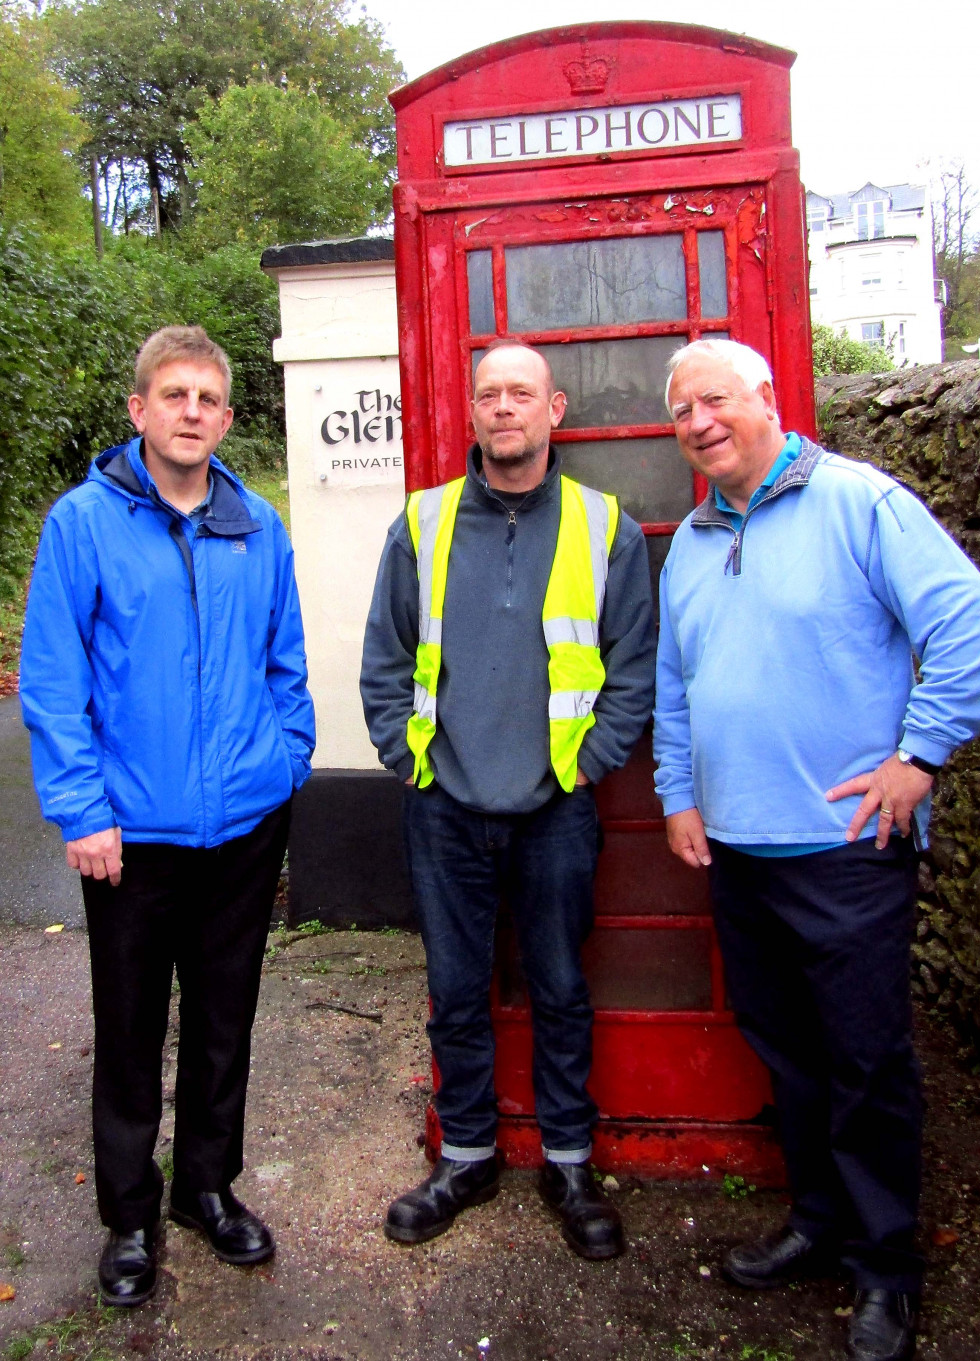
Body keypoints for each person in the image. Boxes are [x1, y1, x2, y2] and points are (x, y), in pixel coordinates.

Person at [653, 338, 980, 1361]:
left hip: (845, 846)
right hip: (738, 846)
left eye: (712, 400)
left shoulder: (861, 503)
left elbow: (969, 625)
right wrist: (679, 792)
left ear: (765, 398)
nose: (697, 423)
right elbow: (678, 681)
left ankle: (885, 1263)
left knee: (864, 1059)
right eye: (679, 413)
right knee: (790, 1054)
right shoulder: (691, 538)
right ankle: (816, 1220)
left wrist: (919, 755)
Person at [20, 326, 315, 1307]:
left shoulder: (256, 524)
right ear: (140, 409)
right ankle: (130, 1214)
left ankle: (206, 1188)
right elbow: (54, 682)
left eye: (207, 398)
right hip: (129, 835)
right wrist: (80, 808)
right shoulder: (83, 524)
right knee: (132, 1025)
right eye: (173, 393)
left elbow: (286, 661)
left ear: (227, 419)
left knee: (225, 1021)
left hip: (242, 822)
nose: (191, 411)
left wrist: (286, 760)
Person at [361, 339, 655, 1259]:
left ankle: (569, 1159)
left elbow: (633, 671)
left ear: (554, 408)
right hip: (445, 802)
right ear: (474, 412)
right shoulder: (424, 521)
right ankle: (467, 1155)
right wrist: (402, 756)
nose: (503, 408)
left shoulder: (609, 527)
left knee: (562, 986)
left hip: (555, 804)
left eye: (520, 393)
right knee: (455, 989)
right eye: (488, 394)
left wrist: (584, 764)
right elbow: (385, 651)